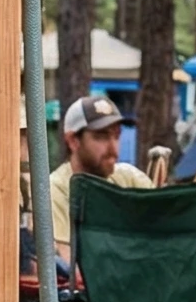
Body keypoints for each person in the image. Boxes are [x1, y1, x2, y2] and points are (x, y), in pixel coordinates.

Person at [46, 94, 150, 260]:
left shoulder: (131, 180)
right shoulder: (54, 191)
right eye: (101, 136)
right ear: (73, 141)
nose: (113, 148)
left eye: (117, 136)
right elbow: (68, 264)